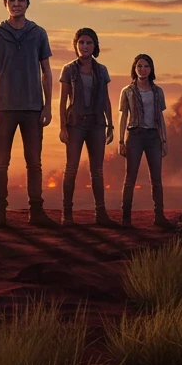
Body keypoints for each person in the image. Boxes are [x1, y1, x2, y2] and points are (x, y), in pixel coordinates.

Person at [0, 0, 59, 229]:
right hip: (3, 107)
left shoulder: (38, 33)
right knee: (1, 162)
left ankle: (36, 211)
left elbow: (46, 71)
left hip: (33, 107)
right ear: (5, 3)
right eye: (12, 0)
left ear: (28, 3)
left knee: (34, 162)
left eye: (21, 0)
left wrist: (48, 106)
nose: (16, 4)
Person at [58, 27, 119, 228]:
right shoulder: (68, 69)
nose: (85, 46)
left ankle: (100, 213)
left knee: (97, 171)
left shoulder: (102, 70)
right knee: (71, 169)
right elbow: (63, 100)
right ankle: (67, 214)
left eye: (89, 43)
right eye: (81, 42)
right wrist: (62, 127)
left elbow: (106, 100)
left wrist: (110, 124)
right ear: (76, 45)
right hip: (75, 123)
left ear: (95, 46)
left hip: (96, 124)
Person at [117, 53, 173, 229]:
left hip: (153, 137)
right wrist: (120, 141)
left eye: (146, 66)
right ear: (134, 69)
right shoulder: (127, 91)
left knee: (156, 178)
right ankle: (126, 218)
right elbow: (123, 116)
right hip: (134, 135)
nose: (143, 69)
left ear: (151, 69)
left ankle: (159, 215)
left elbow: (160, 117)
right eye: (139, 66)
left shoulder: (158, 91)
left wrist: (164, 140)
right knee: (130, 178)